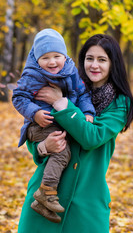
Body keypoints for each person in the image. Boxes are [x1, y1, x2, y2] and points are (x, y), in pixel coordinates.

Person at [17, 34, 133, 233]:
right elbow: (35, 128)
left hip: (86, 204)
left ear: (113, 63)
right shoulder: (65, 84)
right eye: (89, 59)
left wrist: (62, 103)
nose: (94, 65)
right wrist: (43, 147)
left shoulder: (119, 103)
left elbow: (92, 138)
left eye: (102, 60)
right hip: (46, 198)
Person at [12, 28, 95, 223]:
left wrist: (89, 112)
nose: (52, 62)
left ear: (64, 56)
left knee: (62, 150)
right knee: (62, 151)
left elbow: (82, 94)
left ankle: (43, 204)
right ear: (36, 59)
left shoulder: (71, 72)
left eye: (57, 56)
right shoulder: (33, 76)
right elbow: (18, 97)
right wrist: (35, 113)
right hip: (40, 124)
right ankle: (46, 192)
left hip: (57, 121)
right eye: (45, 57)